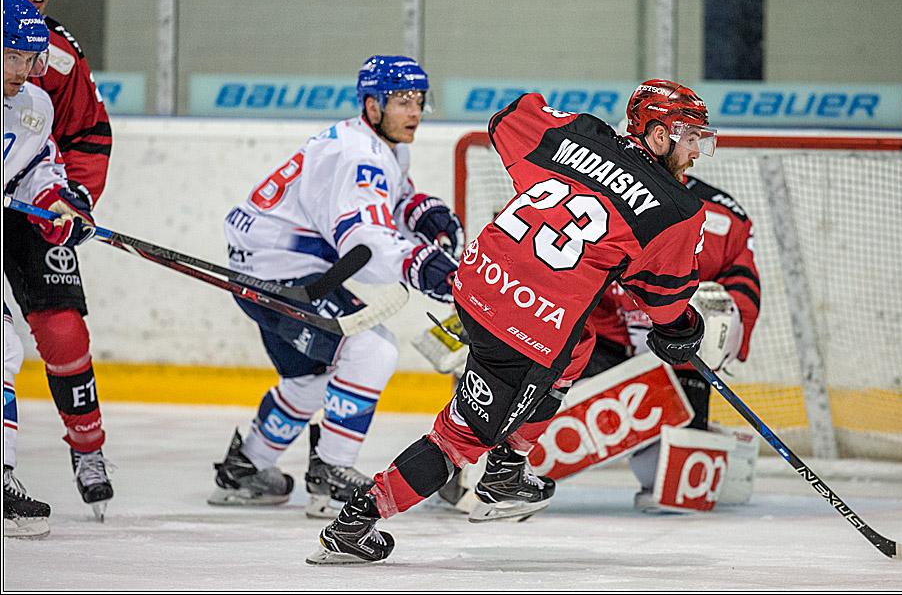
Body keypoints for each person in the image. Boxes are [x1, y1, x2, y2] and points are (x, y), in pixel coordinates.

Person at [307, 79, 718, 564]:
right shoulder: (676, 210)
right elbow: (664, 304)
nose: (696, 149)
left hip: (476, 282)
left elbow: (509, 118)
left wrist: (575, 150)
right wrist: (683, 330)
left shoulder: (582, 134)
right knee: (460, 439)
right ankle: (354, 523)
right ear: (654, 133)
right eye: (687, 135)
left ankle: (508, 466)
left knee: (580, 340)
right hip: (527, 329)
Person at [209, 55, 463, 519]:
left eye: (420, 101)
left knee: (309, 378)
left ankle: (246, 467)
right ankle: (332, 471)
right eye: (402, 101)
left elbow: (393, 197)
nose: (414, 112)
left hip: (267, 267)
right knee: (371, 350)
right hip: (281, 275)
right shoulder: (358, 155)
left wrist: (424, 213)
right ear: (371, 104)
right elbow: (362, 243)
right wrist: (423, 265)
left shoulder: (372, 143)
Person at [437, 159, 762, 515]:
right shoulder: (589, 192)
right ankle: (476, 467)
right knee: (513, 381)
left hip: (674, 360)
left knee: (675, 491)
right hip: (598, 343)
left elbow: (743, 289)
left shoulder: (723, 215)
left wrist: (723, 330)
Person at [3, 0, 115, 518]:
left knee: (64, 331)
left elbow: (83, 138)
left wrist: (68, 201)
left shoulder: (57, 60)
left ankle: (88, 447)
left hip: (24, 201)